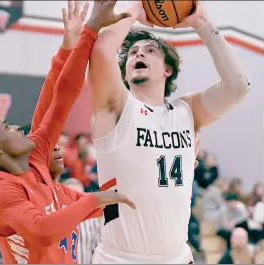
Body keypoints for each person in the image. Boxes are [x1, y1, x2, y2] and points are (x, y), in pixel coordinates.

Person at [0, 1, 135, 264]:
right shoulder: (1, 193)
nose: (16, 126)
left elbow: (61, 97)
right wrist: (97, 199)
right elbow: (42, 231)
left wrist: (82, 38)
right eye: (6, 128)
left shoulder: (37, 158)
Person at [88, 0, 250, 263]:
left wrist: (202, 24)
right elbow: (103, 49)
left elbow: (238, 87)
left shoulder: (186, 112)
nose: (138, 55)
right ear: (125, 73)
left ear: (167, 69)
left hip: (177, 257)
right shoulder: (115, 108)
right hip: (119, 259)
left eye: (149, 50)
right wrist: (136, 10)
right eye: (132, 53)